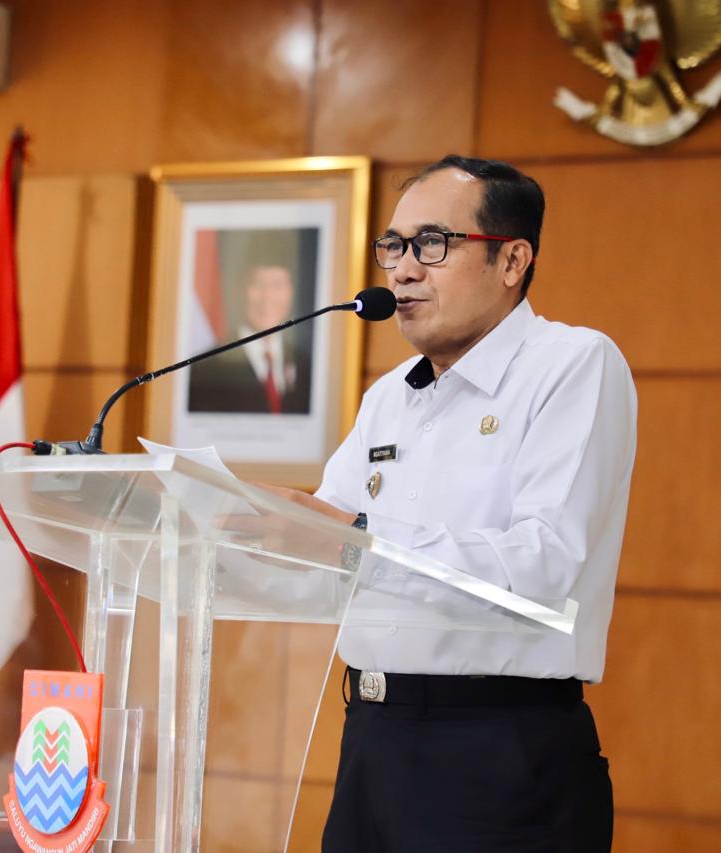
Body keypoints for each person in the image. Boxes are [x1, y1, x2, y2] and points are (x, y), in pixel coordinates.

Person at [265, 155, 637, 851]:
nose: (404, 270)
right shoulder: (388, 397)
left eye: (432, 244)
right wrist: (235, 532)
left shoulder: (572, 365)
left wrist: (359, 539)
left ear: (512, 260)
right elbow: (322, 547)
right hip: (372, 738)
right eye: (394, 246)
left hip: (498, 752)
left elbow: (542, 563)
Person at [186, 262, 312, 414]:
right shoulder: (205, 369)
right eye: (258, 284)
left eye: (277, 285)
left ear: (292, 292)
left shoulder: (307, 366)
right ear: (239, 290)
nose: (267, 297)